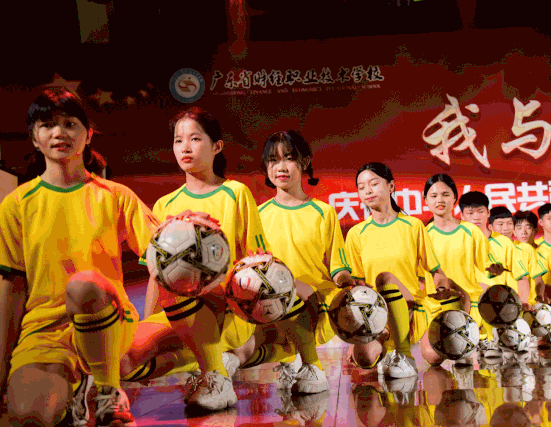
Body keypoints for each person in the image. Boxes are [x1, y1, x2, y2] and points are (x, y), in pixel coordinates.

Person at [0, 87, 159, 427]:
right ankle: (79, 392)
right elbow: (12, 288)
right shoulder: (16, 205)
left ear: (88, 135)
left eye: (70, 124)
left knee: (83, 284)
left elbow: (166, 254)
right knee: (29, 418)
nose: (59, 133)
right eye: (47, 125)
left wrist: (188, 229)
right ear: (34, 138)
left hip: (108, 322)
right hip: (45, 332)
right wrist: (2, 368)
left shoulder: (116, 196)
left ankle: (107, 388)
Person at [121, 107, 270, 412]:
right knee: (124, 360)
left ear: (217, 146)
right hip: (179, 312)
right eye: (178, 140)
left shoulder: (236, 194)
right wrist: (149, 323)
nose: (185, 147)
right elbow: (156, 277)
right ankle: (215, 364)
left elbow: (257, 265)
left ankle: (215, 373)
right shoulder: (165, 205)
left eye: (195, 139)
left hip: (226, 313)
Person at [227, 130, 354, 396]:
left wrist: (347, 284)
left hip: (314, 302)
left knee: (288, 294)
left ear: (305, 162)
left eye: (288, 158)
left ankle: (310, 365)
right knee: (241, 347)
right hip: (272, 303)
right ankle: (276, 358)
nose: (280, 167)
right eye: (273, 160)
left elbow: (338, 267)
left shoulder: (323, 212)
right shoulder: (258, 215)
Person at [345, 163, 462, 378]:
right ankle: (389, 345)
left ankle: (404, 354)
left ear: (391, 186)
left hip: (413, 307)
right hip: (377, 314)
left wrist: (441, 288)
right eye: (361, 187)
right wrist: (356, 335)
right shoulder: (356, 234)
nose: (368, 191)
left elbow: (436, 271)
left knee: (434, 357)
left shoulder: (413, 226)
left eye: (374, 184)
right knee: (364, 359)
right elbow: (357, 285)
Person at [421, 174, 497, 359]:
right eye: (434, 196)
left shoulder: (471, 232)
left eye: (445, 194)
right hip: (437, 308)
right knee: (432, 357)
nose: (440, 200)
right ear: (426, 200)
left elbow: (488, 271)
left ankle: (482, 337)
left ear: (455, 198)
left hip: (471, 306)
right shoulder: (422, 236)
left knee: (471, 361)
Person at [458, 191, 530, 305]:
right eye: (470, 213)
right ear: (462, 216)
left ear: (488, 213)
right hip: (465, 306)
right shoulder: (456, 242)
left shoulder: (503, 242)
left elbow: (521, 278)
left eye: (480, 211)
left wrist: (523, 304)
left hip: (498, 307)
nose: (476, 217)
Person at [491, 207, 548, 309]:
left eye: (509, 223)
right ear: (490, 227)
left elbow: (539, 280)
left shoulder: (526, 249)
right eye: (500, 224)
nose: (505, 228)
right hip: (497, 307)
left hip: (527, 307)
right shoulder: (485, 250)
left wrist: (540, 295)